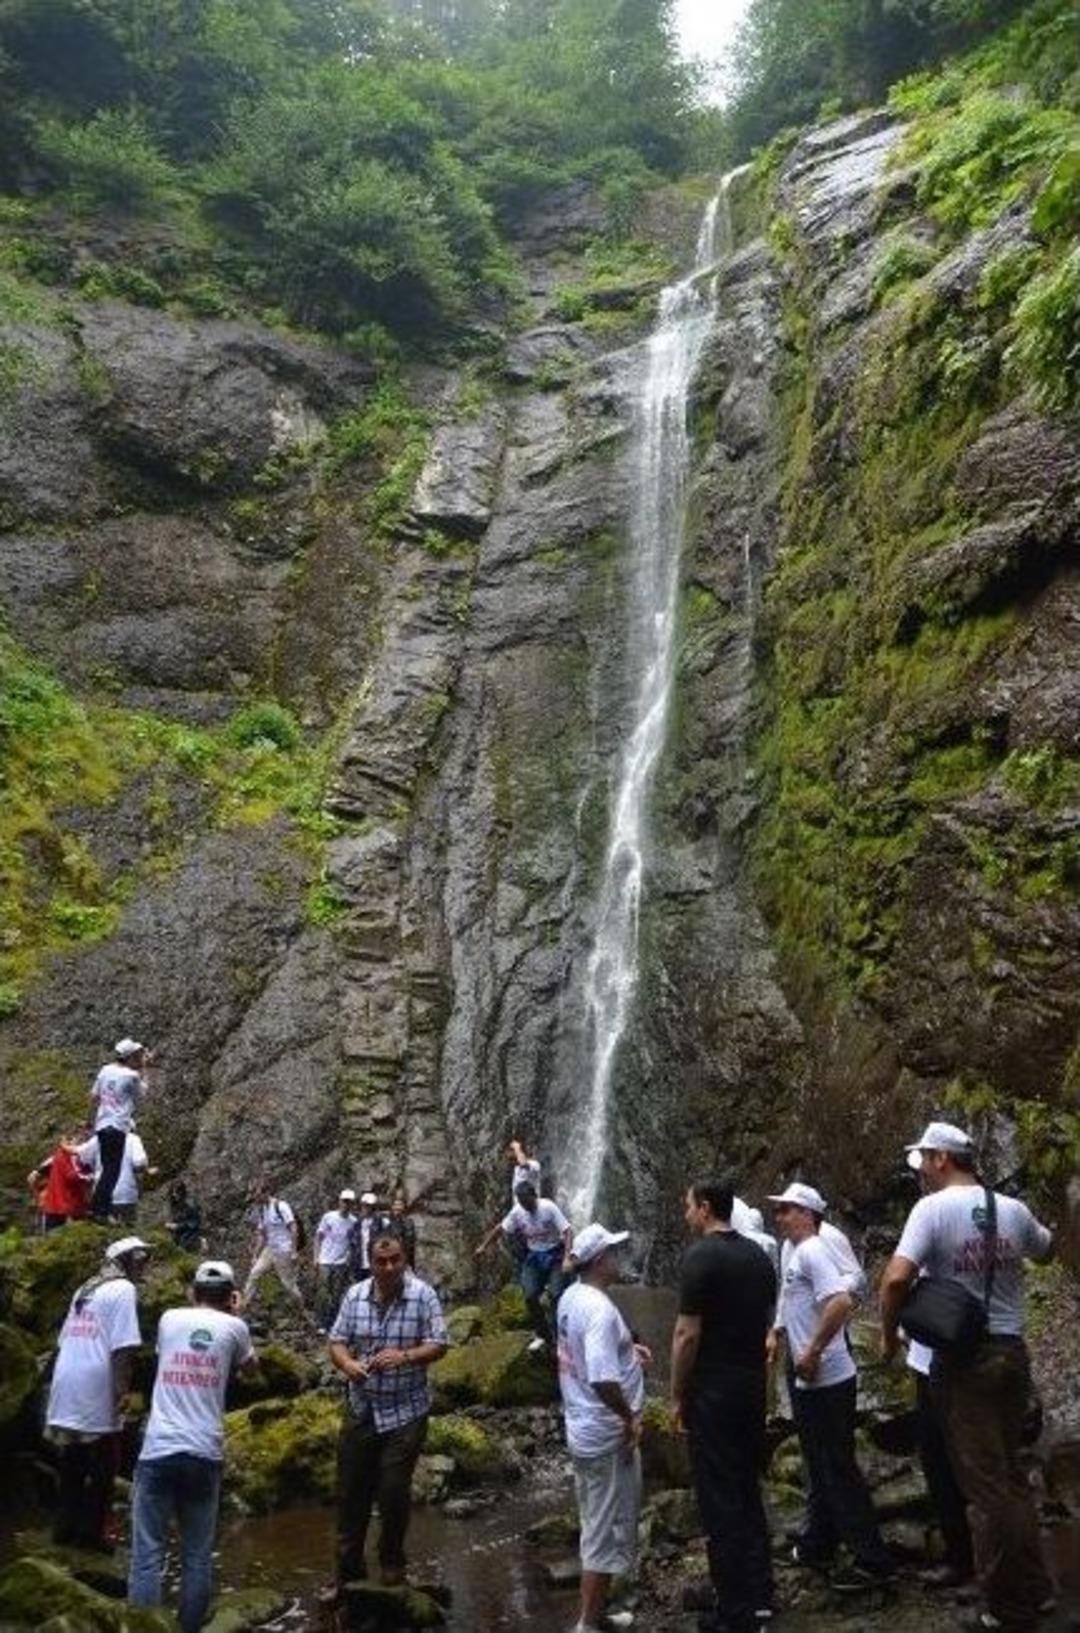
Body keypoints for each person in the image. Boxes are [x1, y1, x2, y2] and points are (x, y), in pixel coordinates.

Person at [880, 1121, 1055, 1633]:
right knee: (1013, 1477)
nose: (921, 1170)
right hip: (1011, 1351)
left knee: (984, 1490)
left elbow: (895, 1278)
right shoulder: (1014, 1210)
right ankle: (1037, 1589)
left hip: (963, 1362)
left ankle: (1006, 1607)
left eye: (923, 1159)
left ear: (941, 1159)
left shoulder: (931, 1210)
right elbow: (1044, 1249)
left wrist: (890, 1335)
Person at [769, 1181, 893, 1589]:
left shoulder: (817, 1248)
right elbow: (793, 1299)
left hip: (827, 1377)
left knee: (837, 1467)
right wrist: (780, 1331)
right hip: (814, 1378)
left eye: (787, 1210)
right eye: (779, 1210)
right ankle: (819, 1542)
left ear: (808, 1214)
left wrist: (814, 1351)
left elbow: (841, 1300)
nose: (780, 1217)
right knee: (820, 1463)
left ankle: (871, 1561)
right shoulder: (797, 1249)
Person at [671, 1177, 778, 1633]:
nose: (685, 1213)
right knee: (748, 1489)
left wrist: (678, 1393)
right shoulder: (757, 1255)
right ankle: (762, 1595)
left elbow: (686, 1334)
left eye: (688, 1205)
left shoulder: (700, 1258)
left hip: (713, 1390)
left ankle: (733, 1611)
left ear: (707, 1208)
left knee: (719, 1498)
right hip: (751, 1385)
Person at [128, 1260, 257, 1631]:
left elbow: (163, 1355)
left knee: (147, 1556)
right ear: (230, 1296)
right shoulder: (236, 1327)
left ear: (192, 1292)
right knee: (197, 1556)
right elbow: (251, 1369)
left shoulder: (169, 1319)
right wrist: (237, 1316)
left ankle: (143, 1627)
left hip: (159, 1448)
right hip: (204, 1451)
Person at [327, 1233, 449, 1597]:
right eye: (382, 1262)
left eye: (396, 1259)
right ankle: (347, 1574)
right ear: (371, 1263)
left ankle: (393, 1566)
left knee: (394, 1492)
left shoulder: (423, 1295)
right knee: (351, 1492)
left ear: (405, 1259)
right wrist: (348, 1364)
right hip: (361, 1406)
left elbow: (440, 1343)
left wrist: (405, 1356)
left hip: (406, 1410)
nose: (390, 1267)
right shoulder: (354, 1295)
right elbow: (336, 1341)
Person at [557, 1223, 647, 1633]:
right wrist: (629, 1417)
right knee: (603, 1531)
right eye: (612, 1251)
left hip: (583, 1426)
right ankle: (587, 1625)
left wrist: (629, 1348)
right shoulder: (598, 1308)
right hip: (606, 1433)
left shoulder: (572, 1297)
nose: (618, 1256)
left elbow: (586, 1352)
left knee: (598, 1521)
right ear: (598, 1262)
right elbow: (601, 1377)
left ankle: (597, 1614)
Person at [45, 1235, 151, 1550]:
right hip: (95, 1381)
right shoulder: (123, 1289)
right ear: (125, 1260)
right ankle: (91, 1534)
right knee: (106, 1460)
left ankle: (64, 1528)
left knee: (72, 1457)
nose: (145, 1263)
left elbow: (63, 1340)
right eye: (140, 1257)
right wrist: (122, 1392)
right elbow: (124, 1346)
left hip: (67, 1377)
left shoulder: (86, 1288)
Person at [906, 1335, 974, 1588]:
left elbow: (894, 1293)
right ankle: (1027, 1574)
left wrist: (891, 1336)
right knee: (998, 1469)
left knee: (941, 1464)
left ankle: (962, 1560)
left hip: (939, 1358)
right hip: (1000, 1351)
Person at [475, 1179, 572, 1351]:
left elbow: (567, 1231)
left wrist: (567, 1258)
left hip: (555, 1254)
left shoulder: (548, 1207)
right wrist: (484, 1245)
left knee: (556, 1294)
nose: (527, 1207)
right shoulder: (518, 1212)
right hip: (534, 1256)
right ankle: (543, 1335)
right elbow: (500, 1228)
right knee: (530, 1295)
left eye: (528, 1202)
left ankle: (562, 1337)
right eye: (522, 1203)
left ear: (535, 1195)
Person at [89, 1038, 154, 1221]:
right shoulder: (131, 1076)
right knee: (112, 1170)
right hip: (118, 1126)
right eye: (136, 1055)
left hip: (102, 1124)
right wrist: (145, 1068)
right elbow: (143, 1093)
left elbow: (93, 1096)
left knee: (107, 1168)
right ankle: (99, 1211)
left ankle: (99, 1208)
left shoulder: (105, 1070)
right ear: (129, 1056)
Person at [242, 1181, 307, 1315]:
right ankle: (243, 1306)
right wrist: (255, 1255)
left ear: (266, 1193)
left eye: (257, 1195)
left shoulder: (281, 1206)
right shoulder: (261, 1209)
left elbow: (293, 1228)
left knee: (288, 1284)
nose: (255, 1199)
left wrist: (294, 1251)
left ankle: (302, 1308)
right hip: (270, 1249)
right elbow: (262, 1235)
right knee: (254, 1274)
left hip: (284, 1250)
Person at [76, 1125, 154, 1224]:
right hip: (126, 1194)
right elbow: (139, 1162)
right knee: (126, 1231)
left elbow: (83, 1157)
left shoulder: (98, 1138)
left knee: (103, 1229)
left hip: (102, 1193)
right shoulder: (133, 1139)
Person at [27, 1129, 93, 1232]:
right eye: (68, 1139)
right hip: (62, 1205)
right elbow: (32, 1178)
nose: (71, 1142)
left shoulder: (63, 1156)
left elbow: (32, 1178)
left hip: (62, 1204)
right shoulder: (66, 1157)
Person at [315, 1189, 357, 1332]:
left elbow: (353, 1243)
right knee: (323, 1293)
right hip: (325, 1260)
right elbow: (318, 1237)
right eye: (344, 1201)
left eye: (349, 1202)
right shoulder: (328, 1217)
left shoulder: (353, 1221)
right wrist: (316, 1257)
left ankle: (332, 1323)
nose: (346, 1204)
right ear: (339, 1201)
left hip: (341, 1262)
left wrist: (348, 1259)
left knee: (337, 1294)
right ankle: (321, 1323)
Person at [348, 1192, 383, 1285]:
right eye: (365, 1205)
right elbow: (352, 1244)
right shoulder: (356, 1223)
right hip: (359, 1264)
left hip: (374, 1264)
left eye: (369, 1206)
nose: (366, 1208)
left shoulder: (380, 1223)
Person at [165, 1180, 204, 1254]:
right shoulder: (175, 1202)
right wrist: (171, 1224)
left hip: (190, 1232)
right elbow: (176, 1217)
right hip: (179, 1231)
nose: (174, 1195)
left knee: (183, 1247)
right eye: (172, 1192)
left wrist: (178, 1226)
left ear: (182, 1192)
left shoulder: (190, 1204)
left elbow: (194, 1223)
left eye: (176, 1192)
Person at [385, 1190, 418, 1269]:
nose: (398, 1207)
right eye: (395, 1205)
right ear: (392, 1207)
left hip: (403, 1260)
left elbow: (408, 1244)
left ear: (404, 1207)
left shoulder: (408, 1223)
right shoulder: (387, 1222)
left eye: (400, 1205)